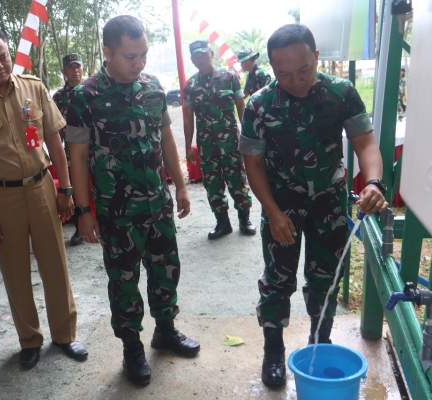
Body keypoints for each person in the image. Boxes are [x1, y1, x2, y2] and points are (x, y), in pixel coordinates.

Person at [239, 24, 388, 388]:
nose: (295, 80)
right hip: (281, 203)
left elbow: (365, 144)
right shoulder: (259, 104)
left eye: (303, 69)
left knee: (326, 278)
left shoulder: (341, 94)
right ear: (271, 68)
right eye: (283, 73)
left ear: (317, 57)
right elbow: (253, 164)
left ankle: (319, 342)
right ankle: (273, 349)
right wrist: (272, 213)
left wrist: (373, 182)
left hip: (329, 202)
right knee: (277, 279)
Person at [67, 15, 200, 386]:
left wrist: (181, 185)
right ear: (108, 52)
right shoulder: (85, 96)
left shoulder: (153, 87)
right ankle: (132, 349)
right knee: (124, 280)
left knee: (166, 269)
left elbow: (166, 139)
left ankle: (165, 330)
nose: (138, 63)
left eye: (143, 54)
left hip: (157, 203)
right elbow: (76, 157)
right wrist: (83, 212)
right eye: (130, 56)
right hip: (116, 211)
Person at [0, 25, 87, 370]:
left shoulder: (33, 88)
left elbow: (55, 142)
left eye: (4, 57)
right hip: (1, 196)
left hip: (41, 186)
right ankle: (29, 340)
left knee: (55, 263)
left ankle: (65, 335)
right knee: (15, 271)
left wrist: (65, 189)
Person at [183, 39, 256, 240]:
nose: (201, 57)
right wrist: (188, 146)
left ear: (212, 53)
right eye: (196, 55)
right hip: (207, 146)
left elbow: (241, 107)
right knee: (212, 184)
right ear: (192, 59)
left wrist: (247, 135)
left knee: (238, 180)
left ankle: (245, 219)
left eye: (204, 53)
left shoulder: (229, 77)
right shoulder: (190, 85)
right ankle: (222, 223)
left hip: (231, 142)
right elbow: (188, 118)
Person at [53, 53, 85, 246]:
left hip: (95, 149)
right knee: (75, 188)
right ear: (64, 71)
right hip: (71, 151)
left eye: (78, 66)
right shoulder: (58, 97)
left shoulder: (92, 91)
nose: (75, 71)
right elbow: (54, 129)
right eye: (71, 67)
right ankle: (80, 228)